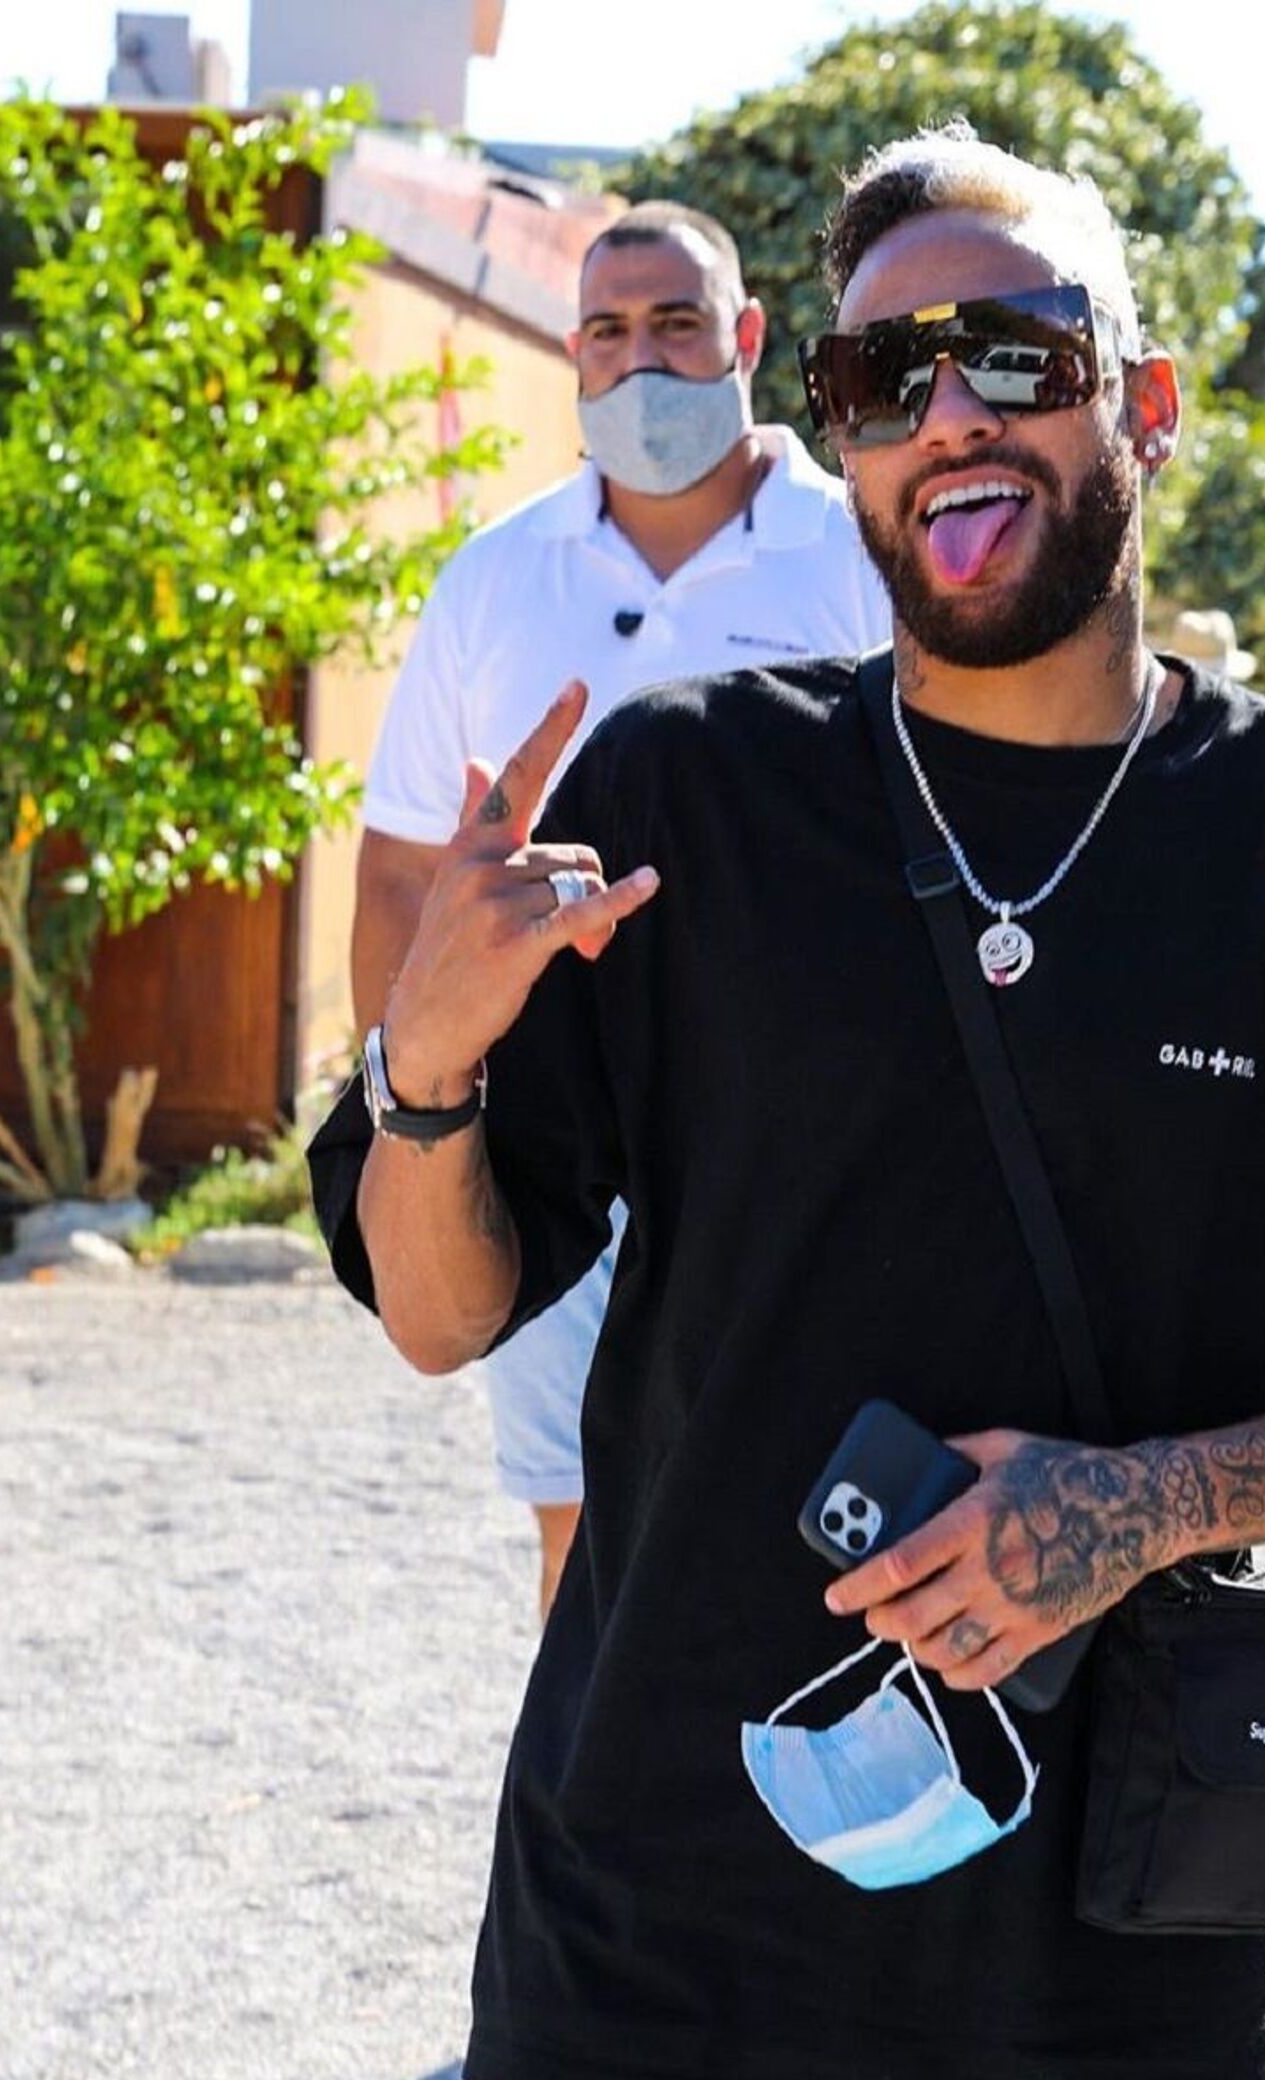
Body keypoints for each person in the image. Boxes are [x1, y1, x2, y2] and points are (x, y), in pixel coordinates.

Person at [310, 129, 1265, 2080]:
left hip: (1115, 1978)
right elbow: (435, 1311)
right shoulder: (684, 800)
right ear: (841, 440)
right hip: (650, 1947)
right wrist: (429, 1066)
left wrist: (1140, 1506)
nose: (951, 415)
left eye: (1015, 352)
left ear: (1147, 403)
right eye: (882, 377)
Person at [350, 200, 889, 1618]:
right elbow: (401, 870)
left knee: (827, 1527)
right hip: (554, 1140)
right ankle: (584, 1770)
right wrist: (405, 1121)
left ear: (748, 337)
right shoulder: (494, 576)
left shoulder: (863, 556)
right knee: (586, 1533)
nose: (640, 361)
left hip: (807, 1153)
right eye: (608, 330)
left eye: (676, 324)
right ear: (571, 355)